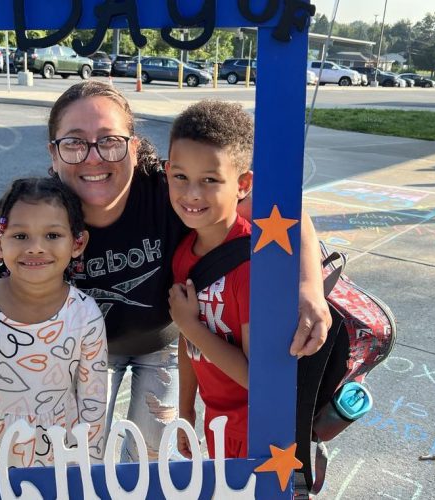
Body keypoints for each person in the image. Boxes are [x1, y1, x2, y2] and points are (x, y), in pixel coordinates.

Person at [0, 81, 331, 462]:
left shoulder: (171, 189)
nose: (93, 157)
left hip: (166, 343)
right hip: (84, 352)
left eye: (110, 140)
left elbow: (287, 216)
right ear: (54, 154)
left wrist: (309, 289)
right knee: (73, 456)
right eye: (74, 142)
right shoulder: (38, 219)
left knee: (149, 458)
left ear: (134, 148)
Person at [0, 177, 107, 468]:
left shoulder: (85, 315)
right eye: (21, 236)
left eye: (52, 235)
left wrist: (91, 473)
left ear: (77, 243)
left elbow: (93, 405)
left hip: (63, 461)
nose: (36, 248)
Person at [166, 100, 254, 459]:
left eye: (210, 180)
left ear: (243, 184)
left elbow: (257, 378)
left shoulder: (253, 264)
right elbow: (189, 345)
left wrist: (188, 324)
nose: (191, 194)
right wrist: (186, 409)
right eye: (180, 177)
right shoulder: (185, 252)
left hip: (256, 426)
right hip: (215, 419)